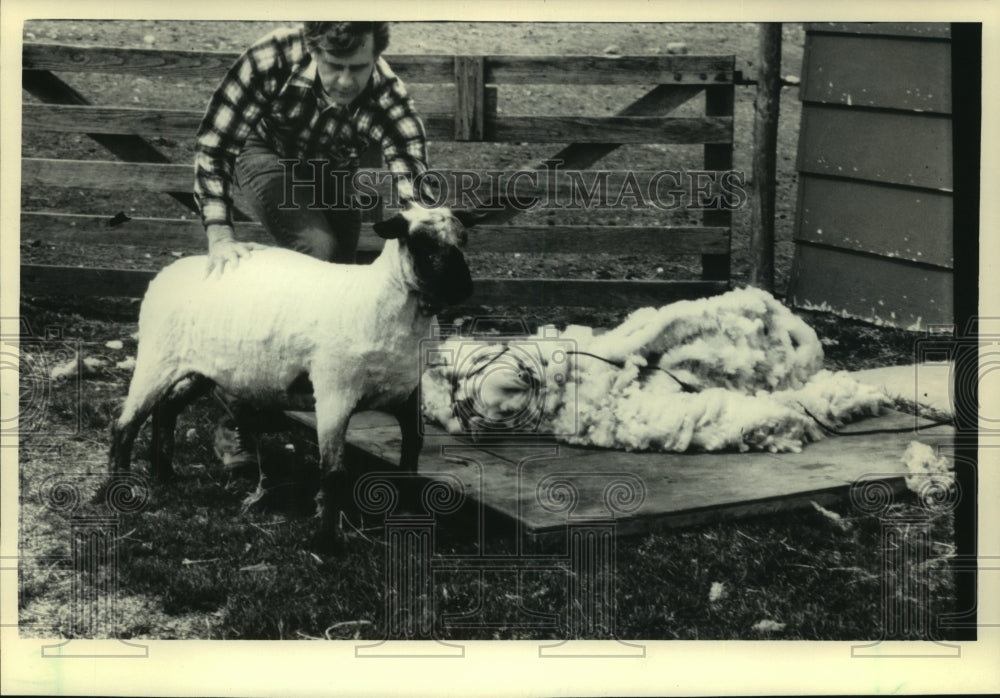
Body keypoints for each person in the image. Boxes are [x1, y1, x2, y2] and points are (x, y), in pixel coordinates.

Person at [193, 21, 431, 469]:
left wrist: (427, 248)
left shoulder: (390, 97)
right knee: (318, 252)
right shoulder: (269, 59)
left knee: (336, 289)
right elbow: (215, 147)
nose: (345, 80)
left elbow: (413, 185)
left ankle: (312, 408)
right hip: (265, 151)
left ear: (376, 55)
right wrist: (219, 234)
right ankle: (237, 414)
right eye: (333, 66)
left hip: (334, 166)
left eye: (358, 67)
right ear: (312, 49)